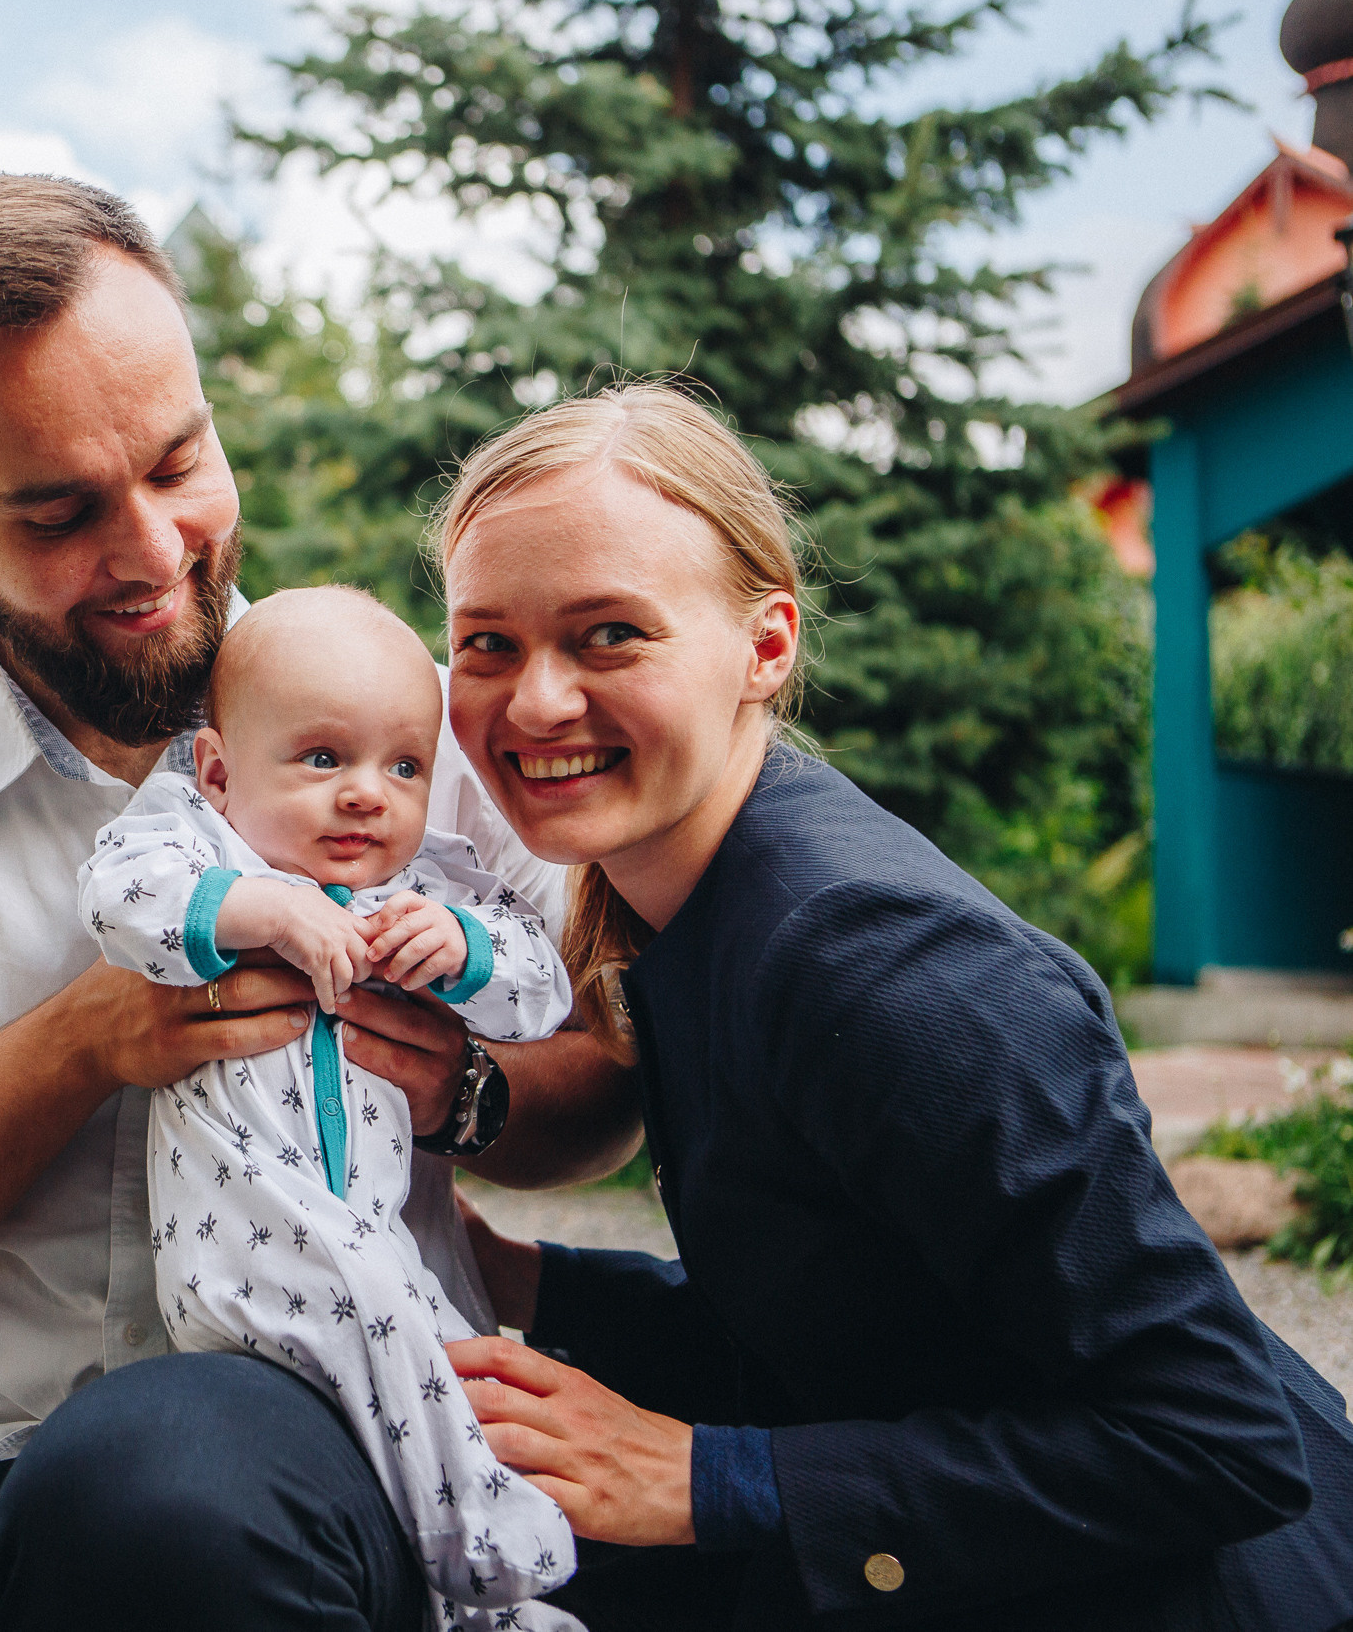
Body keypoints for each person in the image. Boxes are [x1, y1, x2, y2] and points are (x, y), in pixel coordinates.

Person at [0, 176, 638, 1632]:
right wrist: (81, 1044)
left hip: (358, 1418)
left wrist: (469, 1087)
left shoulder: (414, 732)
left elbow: (607, 1081)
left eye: (180, 460)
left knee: (158, 1487)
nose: (152, 549)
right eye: (58, 510)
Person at [425, 382, 1353, 1630]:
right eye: (487, 643)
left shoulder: (874, 962)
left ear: (766, 646)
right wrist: (525, 1282)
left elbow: (1218, 1436)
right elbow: (864, 1332)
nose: (534, 701)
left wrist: (707, 1478)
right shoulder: (682, 910)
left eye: (608, 635)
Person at [79, 586, 578, 1628]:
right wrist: (262, 908)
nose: (367, 795)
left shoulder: (427, 886)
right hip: (245, 1239)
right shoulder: (201, 849)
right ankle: (496, 1554)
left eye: (403, 766)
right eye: (322, 759)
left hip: (367, 1239)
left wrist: (466, 949)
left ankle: (466, 1605)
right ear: (218, 771)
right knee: (383, 1312)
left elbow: (543, 989)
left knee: (456, 1356)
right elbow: (116, 895)